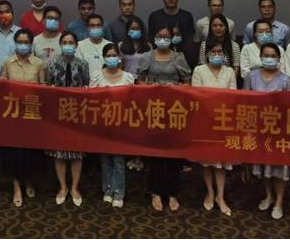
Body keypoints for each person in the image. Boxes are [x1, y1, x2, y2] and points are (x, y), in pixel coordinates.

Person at [137, 24, 191, 212]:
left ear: (171, 38)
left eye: (166, 36)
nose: (163, 39)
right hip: (153, 110)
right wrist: (152, 89)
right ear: (153, 38)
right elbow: (139, 81)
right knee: (156, 154)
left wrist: (173, 88)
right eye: (159, 35)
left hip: (174, 110)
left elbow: (187, 82)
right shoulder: (147, 57)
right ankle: (156, 192)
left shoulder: (179, 57)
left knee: (174, 153)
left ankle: (173, 192)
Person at [244, 42, 290, 219]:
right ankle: (269, 195)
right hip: (259, 129)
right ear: (260, 57)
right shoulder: (251, 76)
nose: (269, 59)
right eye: (266, 55)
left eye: (273, 56)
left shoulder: (286, 80)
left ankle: (279, 201)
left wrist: (279, 101)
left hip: (279, 131)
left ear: (279, 58)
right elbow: (244, 101)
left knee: (279, 168)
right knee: (264, 166)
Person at [0, 28, 45, 207]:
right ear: (15, 43)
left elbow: (44, 87)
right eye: (20, 41)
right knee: (14, 152)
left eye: (26, 42)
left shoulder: (39, 63)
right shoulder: (7, 62)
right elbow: (0, 86)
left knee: (30, 151)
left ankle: (29, 182)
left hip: (32, 114)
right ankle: (16, 186)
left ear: (31, 44)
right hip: (13, 114)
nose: (23, 45)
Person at [191, 36, 237, 216]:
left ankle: (220, 196)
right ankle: (210, 192)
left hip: (224, 122)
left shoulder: (229, 71)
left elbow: (234, 96)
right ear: (207, 54)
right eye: (214, 52)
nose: (217, 55)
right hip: (205, 122)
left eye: (220, 52)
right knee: (207, 162)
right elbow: (196, 95)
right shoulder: (199, 70)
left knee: (221, 163)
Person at [44, 31, 90, 207]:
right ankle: (63, 187)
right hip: (58, 114)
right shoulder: (51, 64)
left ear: (76, 45)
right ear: (60, 44)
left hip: (77, 114)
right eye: (65, 42)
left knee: (77, 153)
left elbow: (87, 86)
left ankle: (75, 188)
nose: (68, 45)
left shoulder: (83, 64)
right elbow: (47, 87)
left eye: (71, 42)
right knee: (60, 153)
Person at [91, 43, 135, 208]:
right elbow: (91, 99)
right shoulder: (97, 76)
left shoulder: (128, 77)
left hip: (121, 123)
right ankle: (108, 189)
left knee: (118, 159)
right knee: (105, 159)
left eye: (114, 55)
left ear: (119, 57)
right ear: (104, 58)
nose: (111, 58)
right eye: (108, 56)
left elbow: (132, 101)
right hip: (102, 123)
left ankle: (119, 192)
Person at [147, 0, 198, 67]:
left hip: (184, 59)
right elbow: (151, 39)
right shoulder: (155, 16)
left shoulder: (186, 16)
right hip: (160, 60)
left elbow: (191, 38)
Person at [76, 13, 113, 80]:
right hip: (87, 84)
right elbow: (78, 69)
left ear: (102, 27)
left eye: (98, 25)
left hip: (107, 82)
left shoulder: (110, 45)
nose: (96, 28)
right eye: (92, 25)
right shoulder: (80, 46)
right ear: (87, 28)